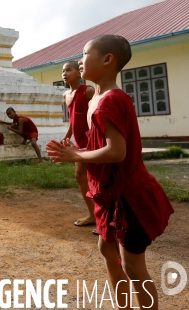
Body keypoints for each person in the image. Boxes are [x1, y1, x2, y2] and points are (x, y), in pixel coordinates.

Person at [46, 35, 174, 309]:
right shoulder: (98, 98)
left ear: (107, 60)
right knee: (106, 249)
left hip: (129, 197)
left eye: (84, 54)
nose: (79, 61)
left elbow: (117, 151)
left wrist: (76, 155)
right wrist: (78, 146)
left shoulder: (109, 101)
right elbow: (100, 141)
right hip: (110, 194)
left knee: (133, 266)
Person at [61, 61, 96, 230]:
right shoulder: (66, 95)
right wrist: (67, 136)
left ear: (78, 72)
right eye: (63, 71)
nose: (64, 73)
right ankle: (93, 214)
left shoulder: (88, 91)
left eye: (69, 70)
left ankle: (106, 219)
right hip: (79, 142)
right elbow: (73, 119)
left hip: (93, 141)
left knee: (97, 179)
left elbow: (94, 116)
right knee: (80, 176)